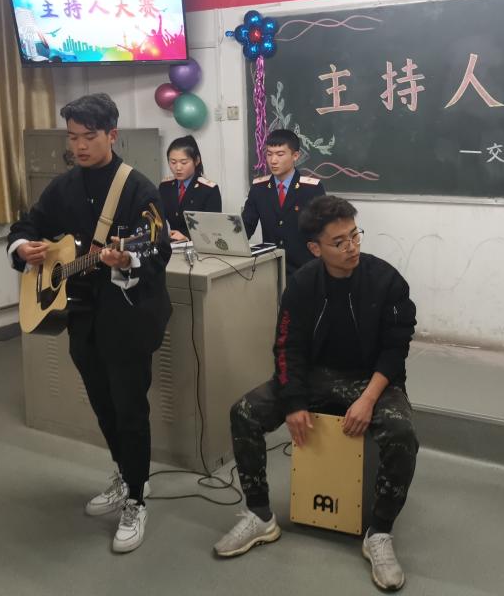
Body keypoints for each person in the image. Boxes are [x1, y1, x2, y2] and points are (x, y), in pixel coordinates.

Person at [214, 195, 419, 592]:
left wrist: (368, 398)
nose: (352, 247)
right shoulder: (302, 284)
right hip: (315, 376)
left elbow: (396, 350)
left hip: (371, 379)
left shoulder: (386, 280)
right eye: (339, 242)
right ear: (314, 248)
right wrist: (293, 402)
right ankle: (259, 516)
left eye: (355, 235)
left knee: (402, 433)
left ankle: (379, 532)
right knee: (244, 413)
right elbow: (286, 347)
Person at [7, 93, 171, 554]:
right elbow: (26, 225)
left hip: (129, 318)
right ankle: (125, 473)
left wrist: (127, 258)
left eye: (88, 137)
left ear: (112, 135)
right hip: (82, 318)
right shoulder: (63, 187)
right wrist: (24, 248)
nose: (78, 146)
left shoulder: (138, 189)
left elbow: (157, 250)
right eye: (72, 137)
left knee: (130, 408)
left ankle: (137, 498)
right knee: (102, 403)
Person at [241, 128, 325, 279]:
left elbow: (322, 230)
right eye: (269, 154)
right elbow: (246, 226)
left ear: (295, 156)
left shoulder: (311, 189)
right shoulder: (259, 188)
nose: (273, 161)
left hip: (304, 269)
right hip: (270, 267)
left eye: (280, 154)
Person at [158, 135, 222, 241]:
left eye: (184, 162)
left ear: (196, 161)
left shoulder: (209, 190)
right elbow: (158, 218)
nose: (178, 167)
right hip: (171, 245)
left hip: (198, 246)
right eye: (173, 162)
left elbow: (212, 228)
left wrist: (187, 237)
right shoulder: (165, 186)